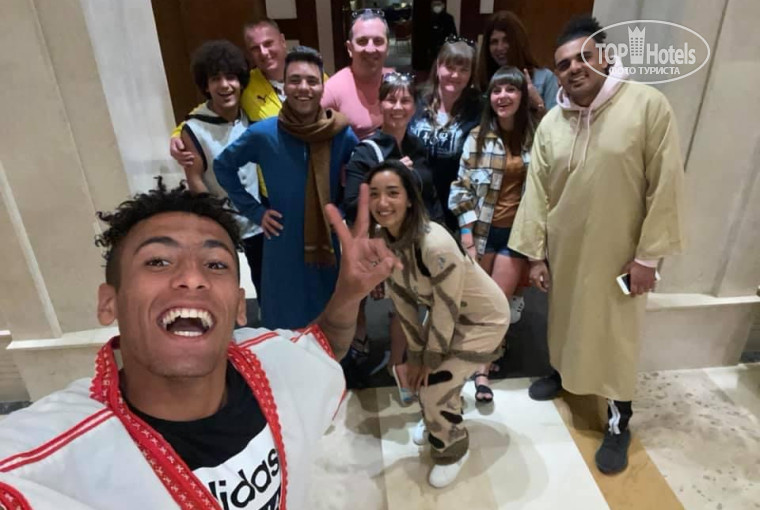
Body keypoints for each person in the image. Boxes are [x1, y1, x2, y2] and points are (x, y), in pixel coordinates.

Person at [0, 179, 400, 509]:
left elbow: (322, 348)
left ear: (240, 307)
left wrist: (348, 293)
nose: (192, 278)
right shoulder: (49, 459)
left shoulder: (269, 361)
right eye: (158, 261)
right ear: (110, 303)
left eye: (215, 265)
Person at [508, 16, 685, 474]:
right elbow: (537, 192)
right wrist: (536, 255)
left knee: (616, 334)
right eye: (563, 63)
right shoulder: (552, 122)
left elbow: (665, 184)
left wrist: (647, 258)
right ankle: (564, 375)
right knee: (564, 318)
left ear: (606, 58)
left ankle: (619, 420)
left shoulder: (647, 106)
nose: (574, 68)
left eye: (583, 57)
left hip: (621, 256)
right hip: (566, 250)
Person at [368, 160, 509, 488]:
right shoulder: (382, 237)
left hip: (482, 320)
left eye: (392, 193)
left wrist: (428, 358)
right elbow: (402, 299)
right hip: (450, 313)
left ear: (409, 199)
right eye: (374, 193)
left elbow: (446, 307)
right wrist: (415, 353)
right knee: (424, 376)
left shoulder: (435, 244)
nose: (382, 202)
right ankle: (439, 416)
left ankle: (452, 449)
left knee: (432, 384)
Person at [214, 47, 358, 330]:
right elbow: (223, 167)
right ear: (284, 86)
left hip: (325, 243)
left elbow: (361, 173)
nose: (303, 88)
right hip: (281, 242)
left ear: (322, 86)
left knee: (329, 319)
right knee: (283, 323)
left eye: (312, 81)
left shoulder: (339, 132)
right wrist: (255, 212)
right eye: (295, 80)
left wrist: (342, 210)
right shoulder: (264, 134)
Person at [343, 71, 444, 396]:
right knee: (367, 302)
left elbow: (430, 196)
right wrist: (390, 176)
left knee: (408, 305)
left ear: (414, 106)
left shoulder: (418, 145)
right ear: (380, 103)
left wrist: (442, 238)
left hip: (414, 240)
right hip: (379, 243)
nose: (398, 106)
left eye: (405, 100)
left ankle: (398, 363)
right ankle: (359, 350)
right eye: (391, 99)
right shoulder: (367, 150)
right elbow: (351, 203)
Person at [449, 66, 535, 403]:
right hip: (483, 233)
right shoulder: (477, 137)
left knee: (499, 307)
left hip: (516, 237)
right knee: (474, 306)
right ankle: (462, 363)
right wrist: (467, 236)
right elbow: (460, 188)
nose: (503, 96)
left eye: (510, 89)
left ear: (522, 95)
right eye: (497, 90)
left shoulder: (535, 136)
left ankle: (483, 372)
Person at [179, 40, 265, 308]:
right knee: (222, 285)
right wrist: (216, 220)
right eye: (216, 79)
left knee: (265, 281)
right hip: (220, 222)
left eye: (231, 77)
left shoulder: (249, 118)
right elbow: (194, 178)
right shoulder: (194, 128)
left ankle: (267, 326)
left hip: (256, 218)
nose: (225, 85)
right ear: (206, 85)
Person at [409, 37, 482, 233]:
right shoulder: (416, 100)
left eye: (463, 70)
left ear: (471, 74)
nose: (455, 75)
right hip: (414, 205)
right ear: (438, 67)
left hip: (455, 211)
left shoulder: (478, 109)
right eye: (449, 67)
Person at [321, 9, 393, 140]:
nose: (370, 49)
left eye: (378, 41)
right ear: (350, 48)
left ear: (387, 48)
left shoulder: (395, 81)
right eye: (362, 41)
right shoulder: (332, 90)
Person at [476, 11, 558, 114]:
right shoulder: (485, 82)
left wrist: (538, 104)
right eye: (494, 42)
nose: (500, 47)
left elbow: (556, 123)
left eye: (506, 40)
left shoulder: (545, 78)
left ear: (518, 42)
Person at [429, 1, 457, 66]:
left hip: (445, 44)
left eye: (438, 4)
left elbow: (453, 32)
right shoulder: (430, 18)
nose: (436, 6)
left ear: (443, 5)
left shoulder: (448, 18)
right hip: (433, 45)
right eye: (435, 4)